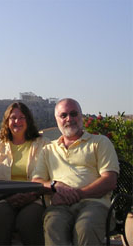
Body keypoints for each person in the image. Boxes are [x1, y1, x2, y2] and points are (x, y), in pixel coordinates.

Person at [32, 98, 120, 246]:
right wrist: (54, 186)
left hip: (95, 205)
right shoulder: (48, 150)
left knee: (85, 227)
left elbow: (110, 180)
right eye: (64, 115)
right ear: (57, 119)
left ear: (81, 116)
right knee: (53, 225)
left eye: (73, 114)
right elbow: (36, 182)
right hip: (60, 207)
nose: (69, 119)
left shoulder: (100, 142)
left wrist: (78, 194)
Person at [0, 102, 49, 245]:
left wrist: (31, 194)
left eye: (22, 117)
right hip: (4, 199)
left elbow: (53, 174)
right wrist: (7, 195)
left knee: (28, 220)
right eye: (13, 118)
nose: (17, 121)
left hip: (36, 199)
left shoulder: (44, 144)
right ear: (7, 122)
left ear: (28, 120)